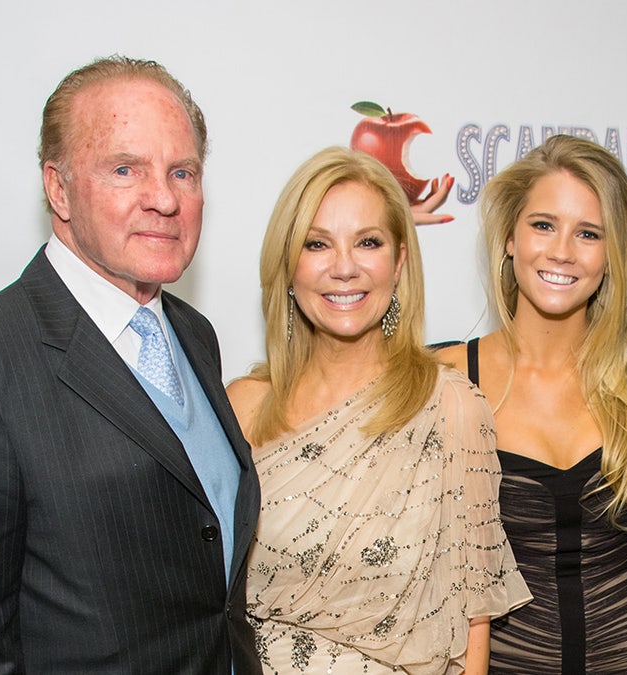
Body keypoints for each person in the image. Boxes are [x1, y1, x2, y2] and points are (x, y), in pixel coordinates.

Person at [0, 56, 262, 674]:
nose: (165, 199)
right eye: (125, 169)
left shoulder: (193, 334)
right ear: (58, 188)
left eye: (183, 172)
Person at [227, 147, 530, 675]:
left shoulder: (450, 406)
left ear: (399, 261)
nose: (344, 268)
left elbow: (471, 621)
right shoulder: (243, 406)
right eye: (316, 244)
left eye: (367, 242)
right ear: (287, 265)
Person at [437, 135, 627, 674]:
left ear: (612, 255)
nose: (562, 250)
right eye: (543, 225)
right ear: (510, 237)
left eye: (588, 233)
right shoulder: (445, 379)